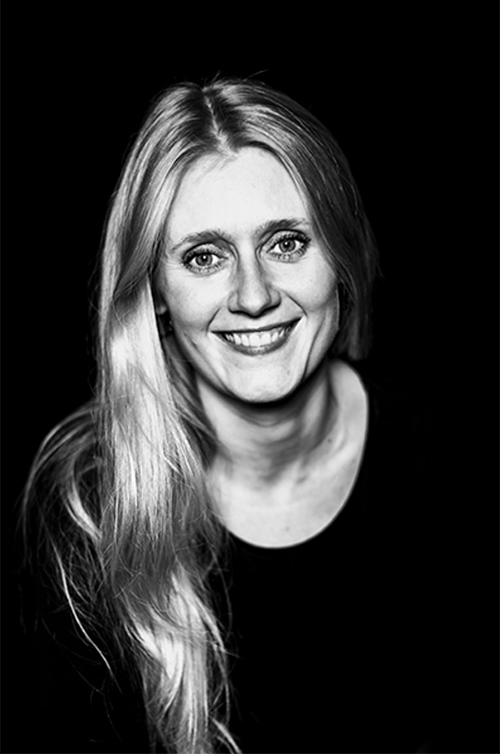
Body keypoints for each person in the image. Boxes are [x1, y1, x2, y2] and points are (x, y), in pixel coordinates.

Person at [18, 77, 443, 754]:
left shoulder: (455, 462)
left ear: (341, 257)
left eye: (287, 243)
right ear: (155, 291)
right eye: (205, 257)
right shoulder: (87, 504)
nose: (252, 295)